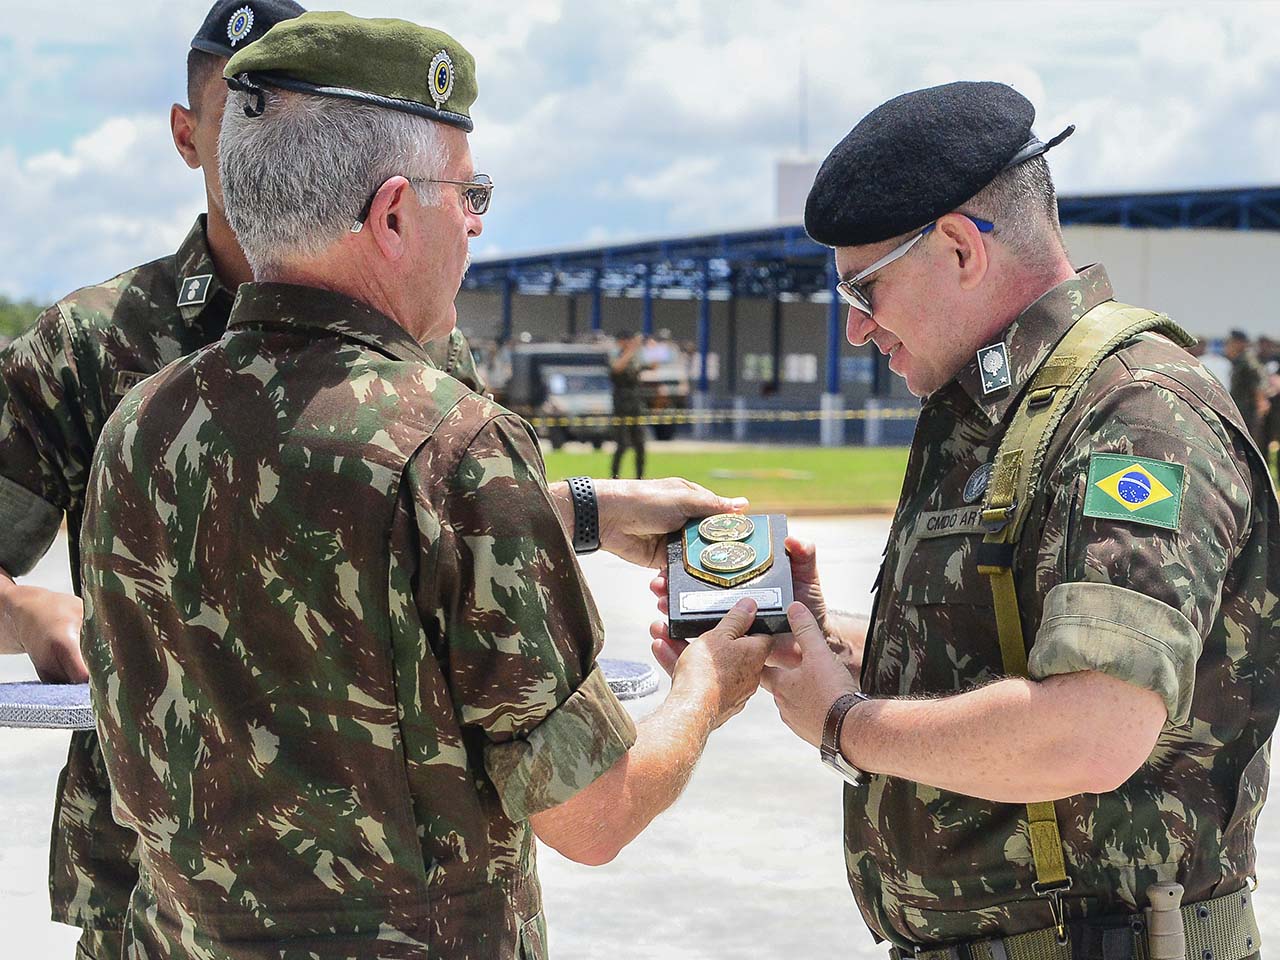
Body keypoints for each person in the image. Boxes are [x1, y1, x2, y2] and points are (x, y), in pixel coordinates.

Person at [78, 13, 773, 958]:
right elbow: (594, 813)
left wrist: (582, 511)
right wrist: (709, 682)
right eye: (469, 192)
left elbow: (331, 545)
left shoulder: (139, 426)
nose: (479, 222)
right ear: (395, 213)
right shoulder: (456, 443)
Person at [658, 81, 1276, 958]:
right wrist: (832, 644)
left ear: (956, 247)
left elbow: (1093, 730)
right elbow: (1010, 649)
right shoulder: (994, 411)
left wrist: (847, 726)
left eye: (864, 291)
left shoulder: (1134, 417)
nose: (858, 332)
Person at [609, 330, 651, 478]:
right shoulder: (615, 354)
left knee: (640, 445)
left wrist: (654, 349)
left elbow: (653, 366)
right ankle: (614, 477)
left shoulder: (635, 357)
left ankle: (640, 478)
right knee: (622, 445)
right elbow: (617, 368)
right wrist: (632, 349)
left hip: (636, 404)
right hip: (621, 405)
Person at [1224, 329, 1269, 450]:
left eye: (1231, 343)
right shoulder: (1239, 360)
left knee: (1248, 446)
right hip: (1241, 410)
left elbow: (1259, 384)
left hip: (1248, 412)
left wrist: (1261, 404)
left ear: (1240, 344)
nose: (1228, 347)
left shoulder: (1248, 361)